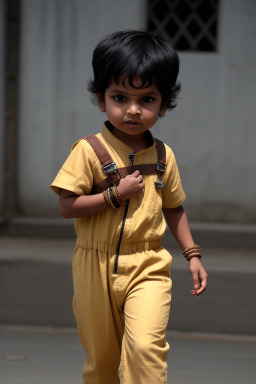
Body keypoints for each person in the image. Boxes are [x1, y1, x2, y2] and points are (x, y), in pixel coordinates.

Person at [51, 30, 208, 384]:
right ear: (101, 99)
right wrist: (114, 195)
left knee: (145, 351)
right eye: (120, 97)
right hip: (94, 264)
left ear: (164, 104)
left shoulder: (165, 156)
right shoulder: (88, 150)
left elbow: (174, 207)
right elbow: (66, 206)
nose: (133, 110)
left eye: (147, 99)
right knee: (102, 364)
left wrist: (192, 254)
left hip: (148, 265)